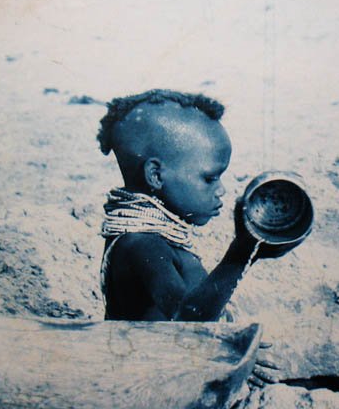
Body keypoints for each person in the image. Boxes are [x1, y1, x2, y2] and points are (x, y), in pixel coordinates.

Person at [96, 90, 284, 344]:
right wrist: (240, 253)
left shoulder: (162, 242)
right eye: (209, 178)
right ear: (156, 176)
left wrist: (229, 347)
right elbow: (187, 324)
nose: (221, 190)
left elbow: (201, 315)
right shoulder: (141, 244)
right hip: (145, 376)